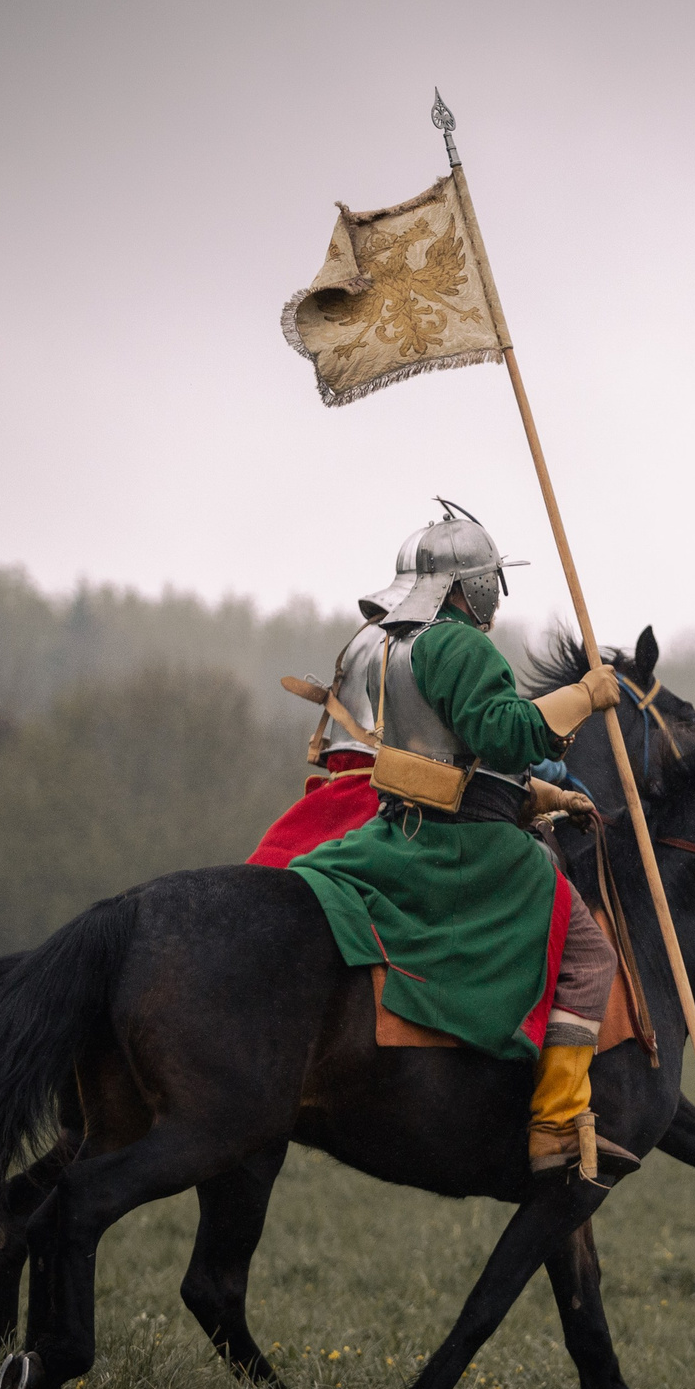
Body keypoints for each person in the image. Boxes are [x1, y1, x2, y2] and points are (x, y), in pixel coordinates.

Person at [271, 502, 632, 1180]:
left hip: (399, 831)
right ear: (471, 586)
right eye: (490, 581)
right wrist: (585, 694)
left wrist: (542, 795)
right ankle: (555, 1125)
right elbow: (505, 732)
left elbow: (453, 759)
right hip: (466, 847)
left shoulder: (392, 645)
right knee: (589, 955)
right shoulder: (460, 643)